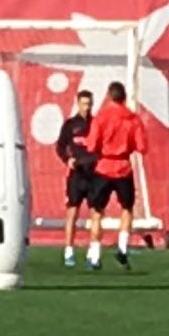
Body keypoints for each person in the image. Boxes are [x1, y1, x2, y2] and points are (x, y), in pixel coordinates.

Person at [83, 81, 146, 270]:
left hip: (103, 167)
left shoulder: (101, 117)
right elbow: (142, 147)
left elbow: (92, 146)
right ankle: (123, 247)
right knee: (127, 209)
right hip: (124, 167)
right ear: (124, 97)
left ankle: (94, 255)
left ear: (109, 96)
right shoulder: (132, 119)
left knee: (96, 212)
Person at [54, 90, 97, 268]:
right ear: (78, 104)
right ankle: (69, 251)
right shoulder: (70, 125)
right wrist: (67, 160)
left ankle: (93, 254)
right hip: (77, 175)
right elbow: (60, 146)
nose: (86, 107)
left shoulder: (97, 124)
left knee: (96, 214)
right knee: (72, 212)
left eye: (89, 104)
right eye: (83, 104)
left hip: (94, 175)